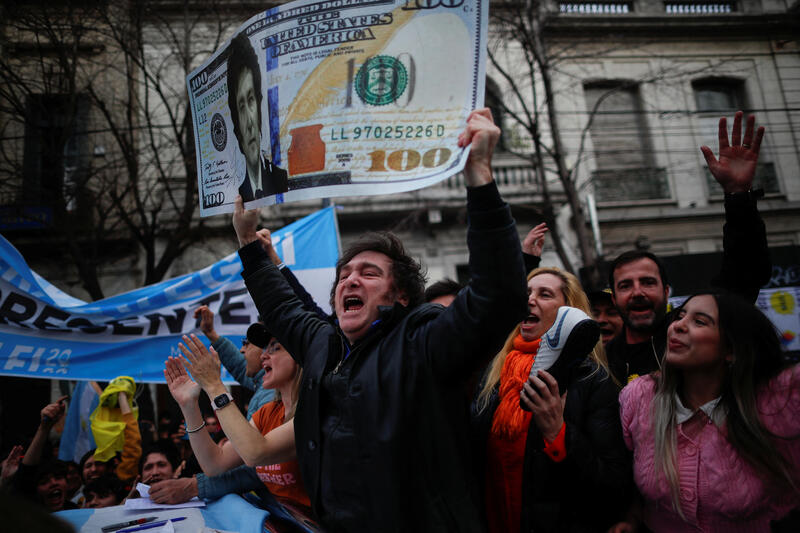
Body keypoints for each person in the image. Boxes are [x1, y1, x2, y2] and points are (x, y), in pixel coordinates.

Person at [172, 108, 528, 531]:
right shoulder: (325, 346)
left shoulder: (423, 341)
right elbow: (283, 309)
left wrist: (481, 182)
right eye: (344, 275)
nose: (350, 280)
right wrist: (247, 241)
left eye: (369, 273)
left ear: (400, 296)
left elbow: (499, 296)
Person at [606, 112, 771, 385]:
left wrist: (738, 196)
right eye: (625, 285)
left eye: (647, 282)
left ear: (667, 292)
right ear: (614, 299)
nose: (637, 292)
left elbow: (744, 274)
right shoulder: (599, 363)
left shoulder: (691, 337)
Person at [612, 292, 799, 532]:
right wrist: (631, 518)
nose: (677, 326)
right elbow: (627, 477)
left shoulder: (779, 400)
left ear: (731, 349)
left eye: (699, 321)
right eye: (680, 316)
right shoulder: (639, 396)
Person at [471, 267, 631, 533]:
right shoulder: (494, 372)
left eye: (544, 294)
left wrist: (558, 433)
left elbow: (613, 485)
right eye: (526, 294)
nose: (530, 300)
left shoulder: (592, 380)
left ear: (571, 312)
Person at [157, 337, 311, 512]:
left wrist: (214, 385)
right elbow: (214, 464)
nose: (263, 356)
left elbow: (255, 454)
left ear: (301, 357)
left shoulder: (314, 413)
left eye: (275, 348)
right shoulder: (267, 412)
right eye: (265, 348)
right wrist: (189, 405)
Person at [227, 32, 288, 201]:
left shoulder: (282, 180)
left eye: (251, 99)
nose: (249, 122)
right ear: (235, 122)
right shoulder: (235, 195)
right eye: (241, 106)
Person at [194, 306, 275, 419]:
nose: (242, 350)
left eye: (247, 343)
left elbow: (250, 437)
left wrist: (215, 385)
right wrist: (211, 333)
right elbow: (240, 367)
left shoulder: (273, 394)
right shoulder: (265, 383)